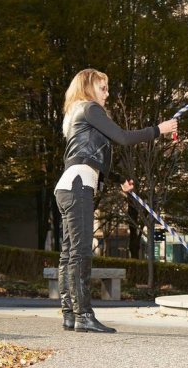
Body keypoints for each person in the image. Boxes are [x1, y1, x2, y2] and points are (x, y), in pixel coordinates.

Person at [55, 69, 177, 333]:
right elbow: (123, 137)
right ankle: (83, 315)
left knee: (69, 253)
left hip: (68, 185)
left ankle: (70, 314)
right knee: (80, 253)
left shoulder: (75, 113)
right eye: (103, 88)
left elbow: (85, 156)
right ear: (89, 87)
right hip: (77, 186)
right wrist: (160, 129)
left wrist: (117, 179)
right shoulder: (90, 109)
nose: (107, 94)